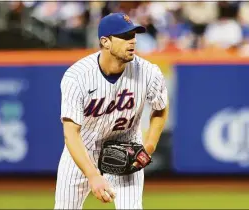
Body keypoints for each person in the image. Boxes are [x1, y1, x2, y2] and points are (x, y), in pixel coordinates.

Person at [55, 12, 169, 209]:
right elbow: (71, 134)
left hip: (127, 148)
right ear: (105, 42)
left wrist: (149, 146)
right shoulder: (77, 77)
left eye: (133, 35)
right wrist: (93, 175)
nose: (132, 41)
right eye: (124, 37)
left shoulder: (149, 72)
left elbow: (160, 109)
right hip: (83, 149)